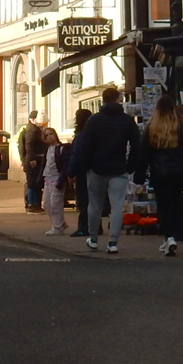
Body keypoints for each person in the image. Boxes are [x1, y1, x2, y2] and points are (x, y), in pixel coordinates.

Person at [134, 94, 183, 257]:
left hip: (160, 174)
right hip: (180, 173)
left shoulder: (151, 128)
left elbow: (143, 154)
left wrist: (139, 175)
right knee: (174, 204)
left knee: (164, 205)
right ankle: (171, 236)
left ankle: (169, 237)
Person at [67, 86, 140, 254]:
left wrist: (86, 166)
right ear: (118, 99)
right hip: (118, 168)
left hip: (96, 168)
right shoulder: (126, 120)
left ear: (102, 101)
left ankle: (93, 239)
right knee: (117, 206)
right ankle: (113, 242)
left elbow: (85, 145)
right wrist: (131, 165)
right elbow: (136, 144)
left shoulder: (94, 120)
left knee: (94, 205)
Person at [58, 108, 100, 237]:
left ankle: (84, 227)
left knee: (83, 201)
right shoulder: (96, 133)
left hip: (82, 171)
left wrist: (70, 173)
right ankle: (97, 226)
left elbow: (76, 156)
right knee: (94, 200)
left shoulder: (81, 136)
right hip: (96, 170)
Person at [41, 127, 70, 235]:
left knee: (55, 204)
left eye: (51, 134)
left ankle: (57, 227)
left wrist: (62, 179)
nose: (49, 136)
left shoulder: (61, 149)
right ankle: (60, 223)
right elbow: (45, 164)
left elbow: (65, 165)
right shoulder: (48, 149)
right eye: (46, 135)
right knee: (47, 205)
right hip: (47, 179)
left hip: (57, 179)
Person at [23, 111, 49, 213]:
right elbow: (29, 146)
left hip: (36, 159)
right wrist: (32, 158)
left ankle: (35, 204)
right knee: (33, 184)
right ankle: (32, 205)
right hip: (33, 161)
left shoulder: (33, 130)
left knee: (35, 184)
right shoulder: (31, 131)